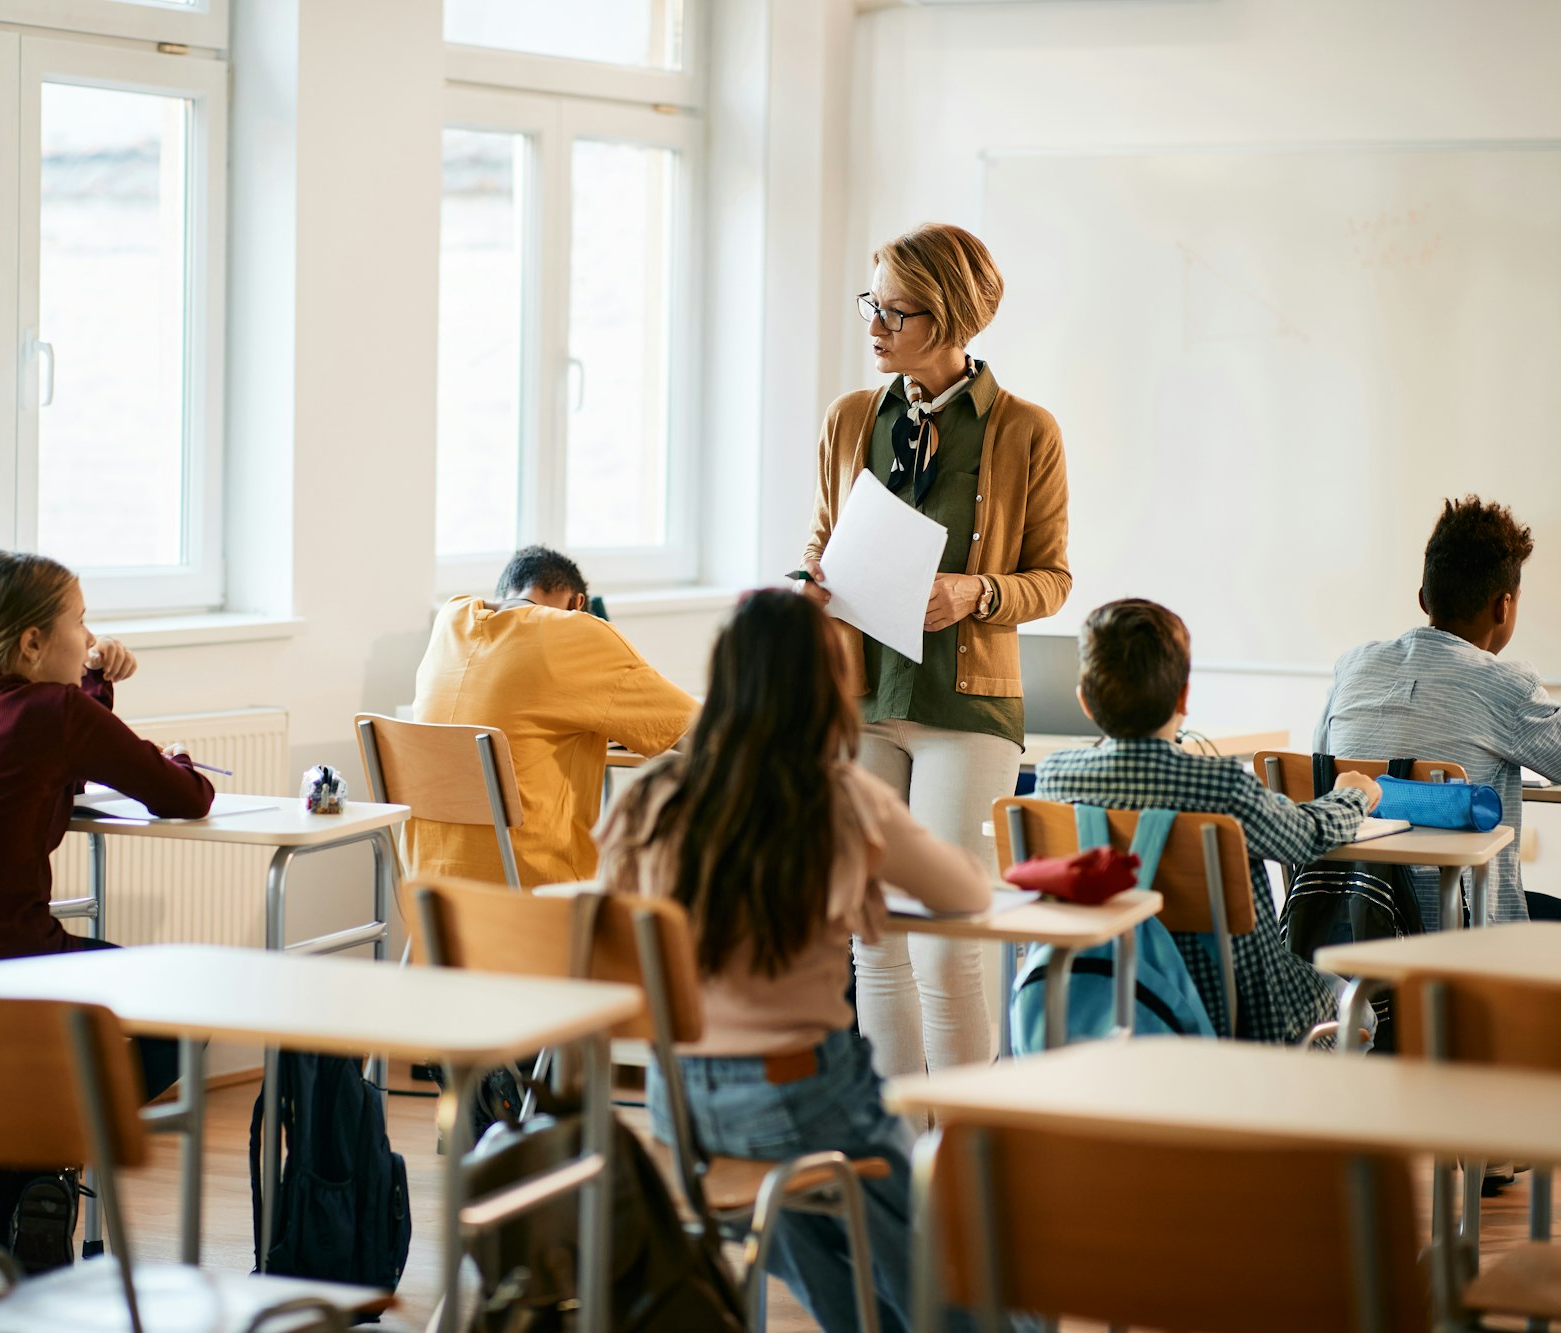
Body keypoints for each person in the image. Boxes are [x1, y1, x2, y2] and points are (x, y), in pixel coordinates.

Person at [599, 589, 992, 1333]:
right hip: (802, 1098)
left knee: (823, 1249)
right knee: (943, 1270)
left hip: (677, 1103)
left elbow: (614, 928)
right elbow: (966, 890)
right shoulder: (838, 798)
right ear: (827, 686)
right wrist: (858, 871)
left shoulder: (650, 799)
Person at [801, 222, 1071, 1077]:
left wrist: (976, 592)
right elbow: (821, 537)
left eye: (895, 311)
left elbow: (1053, 578)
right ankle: (894, 1151)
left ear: (950, 316)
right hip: (862, 698)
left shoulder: (1027, 431)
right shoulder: (849, 420)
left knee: (947, 944)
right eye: (870, 304)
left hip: (967, 705)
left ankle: (964, 1151)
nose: (874, 325)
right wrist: (812, 577)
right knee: (874, 937)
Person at [0, 548, 213, 1267]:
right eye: (81, 620)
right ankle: (39, 1156)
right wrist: (183, 758)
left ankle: (9, 1168)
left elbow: (60, 749)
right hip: (19, 969)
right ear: (33, 642)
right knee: (194, 1010)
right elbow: (182, 796)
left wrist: (94, 681)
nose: (90, 632)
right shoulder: (55, 711)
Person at [1034, 599, 1381, 1044]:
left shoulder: (1054, 780)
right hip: (1236, 1010)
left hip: (1100, 1004)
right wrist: (1353, 794)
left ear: (1084, 700)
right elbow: (1306, 836)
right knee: (1359, 1007)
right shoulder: (1220, 787)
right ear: (1183, 696)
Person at [1315, 496, 1561, 930]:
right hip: (1449, 932)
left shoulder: (1352, 667)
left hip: (1343, 924)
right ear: (1504, 606)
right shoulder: (1506, 686)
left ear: (1424, 598)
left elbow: (1321, 769)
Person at [409, 545, 695, 886]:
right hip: (535, 893)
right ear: (577, 604)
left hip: (430, 899)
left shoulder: (451, 619)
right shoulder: (575, 630)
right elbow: (703, 732)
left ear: (505, 594)